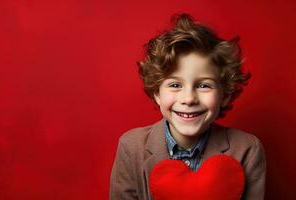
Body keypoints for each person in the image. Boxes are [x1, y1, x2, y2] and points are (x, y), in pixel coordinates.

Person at [109, 13, 266, 200]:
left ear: (225, 95)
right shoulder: (131, 147)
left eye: (203, 85)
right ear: (157, 93)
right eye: (175, 85)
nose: (189, 99)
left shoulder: (247, 150)